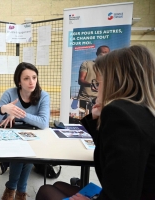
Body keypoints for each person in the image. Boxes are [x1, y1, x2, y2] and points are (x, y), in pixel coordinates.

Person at [36, 45, 155, 200]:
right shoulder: (142, 110)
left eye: (99, 83)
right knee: (57, 186)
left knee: (46, 191)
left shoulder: (120, 113)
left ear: (114, 82)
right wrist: (95, 119)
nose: (97, 89)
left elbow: (122, 191)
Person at [0, 62, 50, 200]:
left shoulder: (43, 96)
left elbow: (43, 123)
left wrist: (18, 113)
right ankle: (20, 192)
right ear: (19, 81)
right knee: (20, 152)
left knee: (27, 150)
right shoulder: (9, 94)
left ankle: (11, 189)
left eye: (34, 77)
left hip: (33, 138)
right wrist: (3, 109)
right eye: (26, 78)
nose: (31, 82)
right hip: (11, 139)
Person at [77, 45, 110, 115]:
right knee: (84, 121)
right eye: (102, 52)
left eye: (107, 53)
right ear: (97, 53)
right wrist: (91, 85)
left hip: (101, 100)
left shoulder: (111, 67)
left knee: (98, 122)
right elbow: (81, 80)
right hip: (85, 99)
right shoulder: (86, 64)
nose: (104, 54)